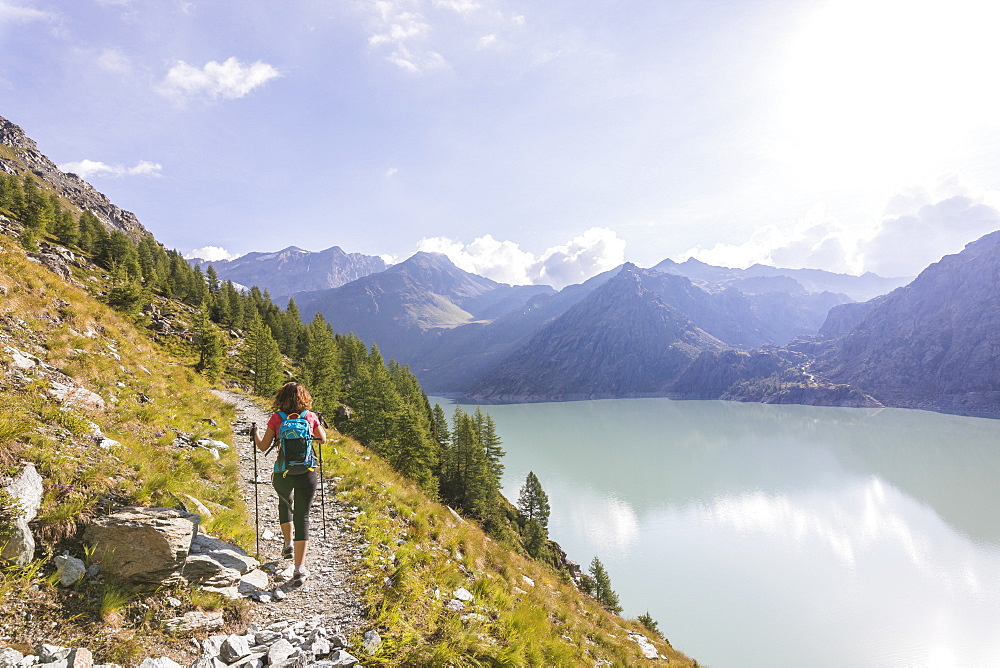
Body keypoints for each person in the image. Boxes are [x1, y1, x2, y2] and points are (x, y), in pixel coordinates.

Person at [251, 381, 326, 583]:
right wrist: (316, 424)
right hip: (307, 471)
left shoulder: (277, 418)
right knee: (303, 516)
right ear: (304, 397)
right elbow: (322, 440)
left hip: (282, 472)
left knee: (285, 504)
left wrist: (255, 433)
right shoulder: (310, 417)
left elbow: (263, 446)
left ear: (281, 398)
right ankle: (299, 569)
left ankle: (287, 543)